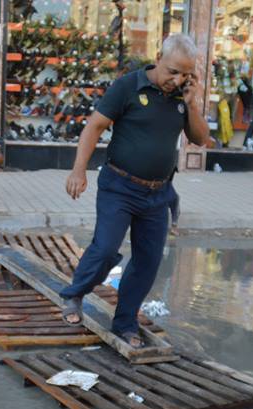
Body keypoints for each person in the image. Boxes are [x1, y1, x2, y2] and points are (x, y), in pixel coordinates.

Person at [58, 34, 210, 347]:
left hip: (158, 194)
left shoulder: (182, 97)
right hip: (119, 187)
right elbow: (94, 127)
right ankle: (75, 294)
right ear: (158, 58)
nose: (177, 80)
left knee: (148, 261)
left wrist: (192, 103)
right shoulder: (128, 86)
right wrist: (78, 170)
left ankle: (125, 323)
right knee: (105, 248)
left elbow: (199, 138)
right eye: (172, 71)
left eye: (185, 74)